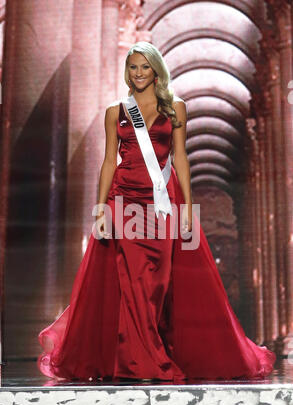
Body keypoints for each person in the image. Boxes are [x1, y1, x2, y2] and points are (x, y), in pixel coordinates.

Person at [37, 41, 276, 382]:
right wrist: (100, 208)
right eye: (132, 67)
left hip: (162, 199)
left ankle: (151, 350)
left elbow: (180, 158)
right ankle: (140, 359)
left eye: (144, 67)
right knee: (131, 278)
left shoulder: (176, 108)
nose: (138, 73)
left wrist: (189, 208)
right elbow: (108, 161)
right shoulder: (115, 112)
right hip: (124, 199)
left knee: (158, 280)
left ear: (155, 70)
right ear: (127, 72)